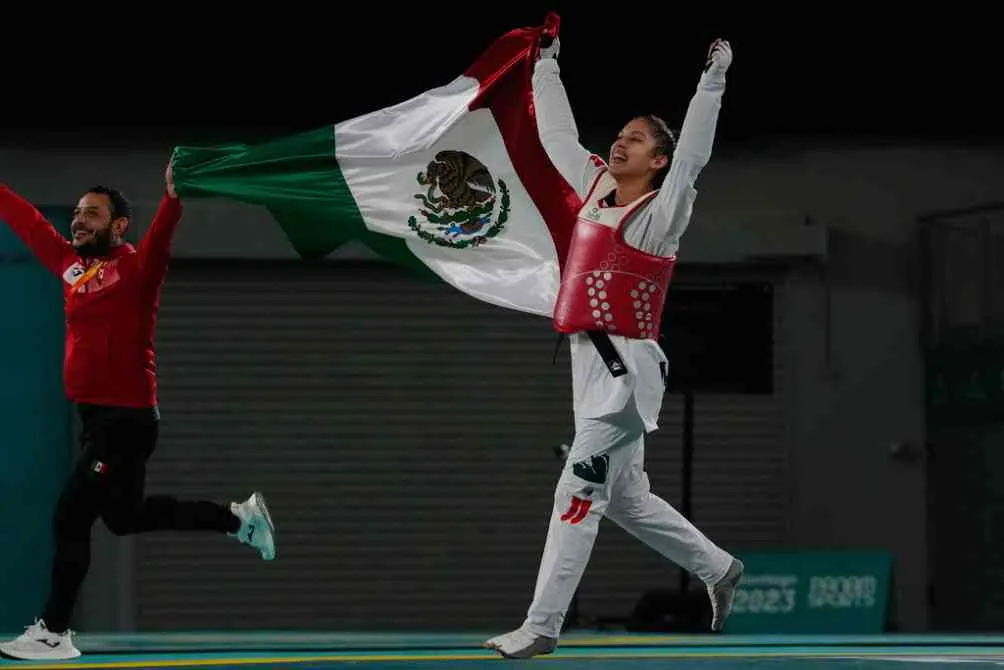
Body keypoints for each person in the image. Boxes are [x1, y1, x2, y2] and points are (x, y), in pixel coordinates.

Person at [483, 35, 743, 659]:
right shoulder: (597, 187)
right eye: (621, 134)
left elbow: (693, 159)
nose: (621, 142)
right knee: (627, 499)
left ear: (658, 161)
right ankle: (719, 567)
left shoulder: (662, 214)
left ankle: (542, 626)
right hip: (589, 370)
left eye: (637, 139)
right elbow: (557, 138)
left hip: (625, 376)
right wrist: (546, 66)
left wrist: (712, 82)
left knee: (576, 492)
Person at [0, 162, 276, 661]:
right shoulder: (72, 268)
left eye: (92, 214)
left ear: (119, 225)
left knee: (70, 516)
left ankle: (54, 632)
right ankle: (237, 519)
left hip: (124, 422)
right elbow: (31, 225)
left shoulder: (135, 269)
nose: (79, 220)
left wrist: (172, 198)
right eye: (77, 212)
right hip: (97, 421)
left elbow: (162, 241)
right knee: (124, 518)